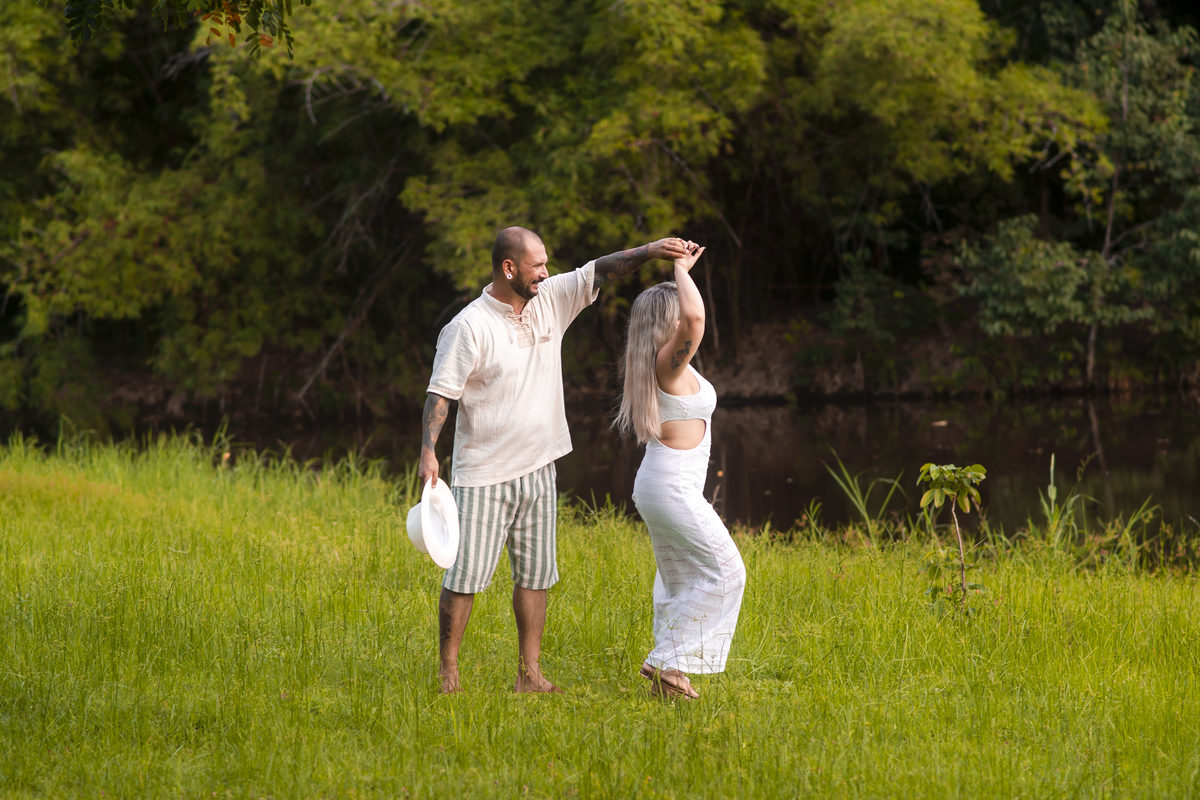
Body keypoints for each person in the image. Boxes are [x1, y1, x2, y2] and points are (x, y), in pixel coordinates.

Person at [420, 226, 691, 694]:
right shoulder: (468, 326)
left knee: (536, 574)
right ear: (509, 269)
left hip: (541, 467)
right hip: (484, 473)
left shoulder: (551, 298)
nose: (546, 272)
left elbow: (602, 269)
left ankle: (530, 675)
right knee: (465, 576)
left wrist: (651, 252)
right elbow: (440, 395)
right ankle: (448, 674)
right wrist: (428, 452)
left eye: (546, 264)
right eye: (537, 265)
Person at [614, 240, 746, 699]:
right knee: (728, 572)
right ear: (665, 324)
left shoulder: (668, 368)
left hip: (661, 483)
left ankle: (671, 679)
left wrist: (680, 276)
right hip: (670, 487)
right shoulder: (667, 367)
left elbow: (690, 318)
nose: (684, 317)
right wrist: (681, 271)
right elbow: (695, 319)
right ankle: (666, 663)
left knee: (683, 579)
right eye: (677, 310)